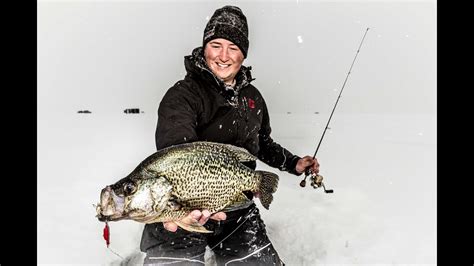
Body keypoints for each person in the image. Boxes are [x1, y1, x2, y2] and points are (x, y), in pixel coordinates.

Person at [140, 5, 320, 265]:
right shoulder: (183, 95)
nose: (223, 56)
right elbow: (177, 151)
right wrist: (185, 208)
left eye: (233, 48)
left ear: (243, 55)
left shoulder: (252, 98)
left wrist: (294, 163)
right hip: (182, 208)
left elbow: (262, 143)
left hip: (236, 210)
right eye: (216, 45)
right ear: (204, 48)